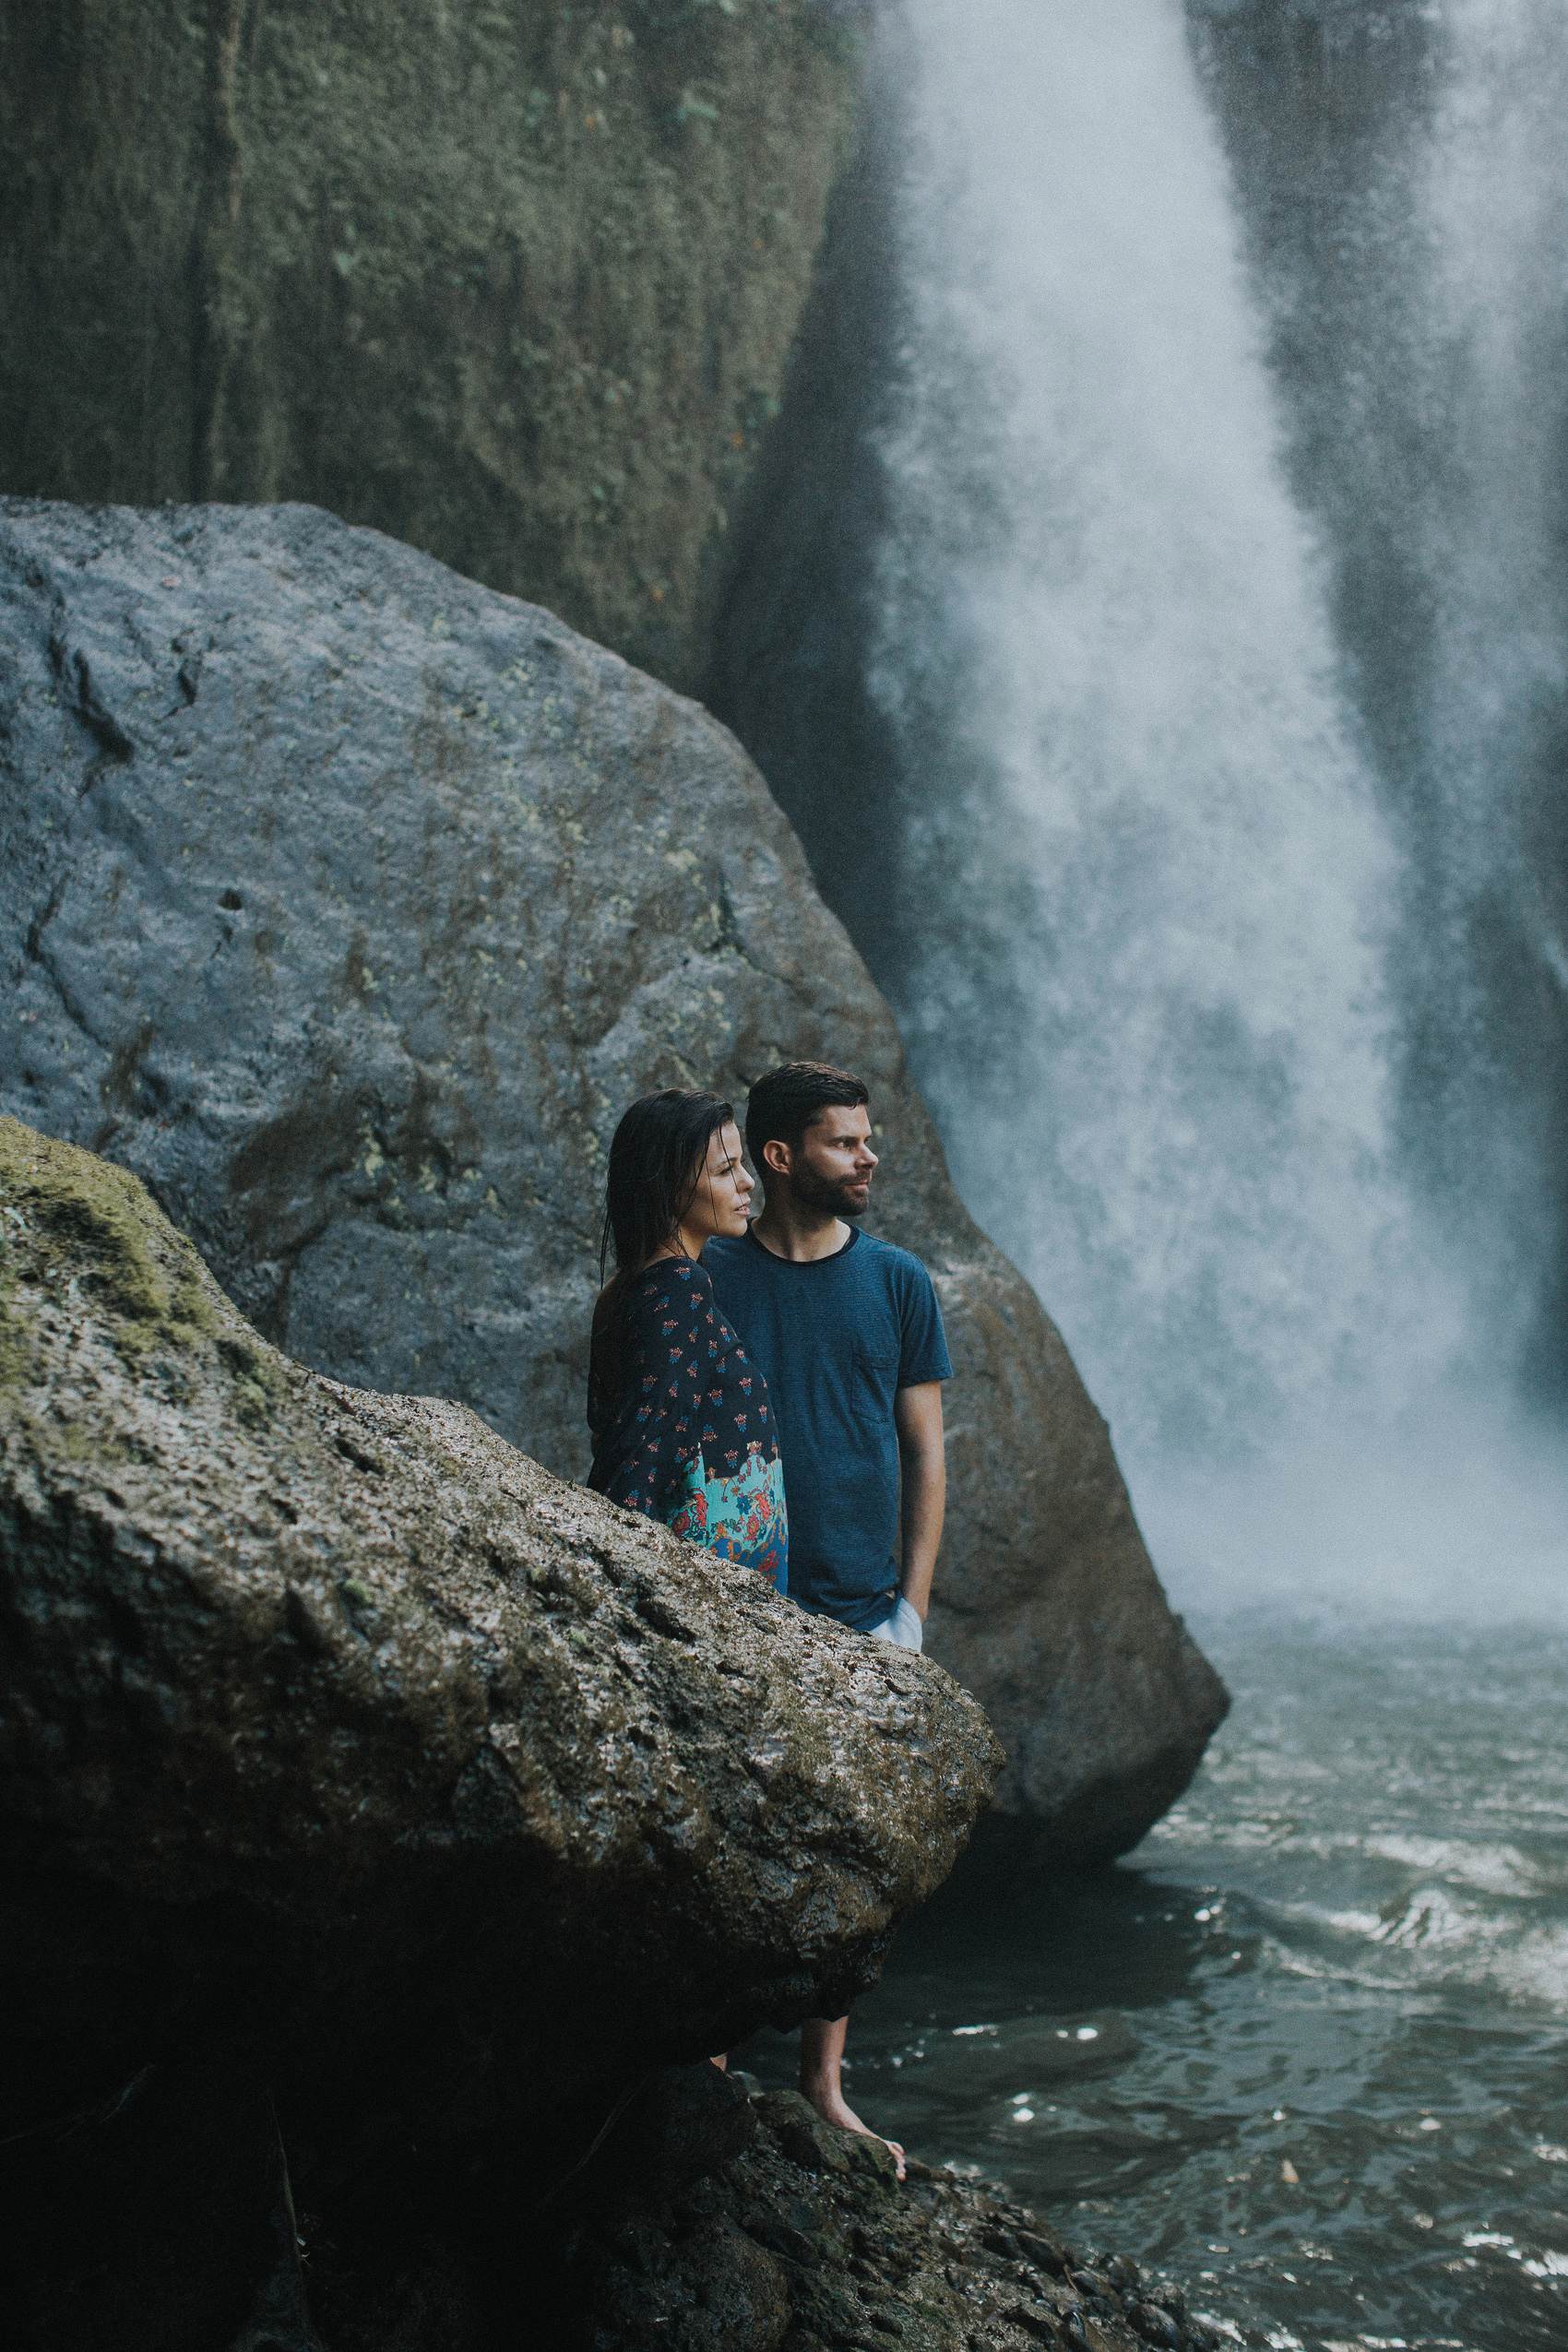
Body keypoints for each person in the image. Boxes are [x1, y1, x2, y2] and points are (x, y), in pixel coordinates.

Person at [706, 1061, 952, 2179]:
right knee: (724, 1829)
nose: (868, 1158)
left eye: (867, 1140)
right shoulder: (709, 1275)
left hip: (863, 1612)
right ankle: (702, 2058)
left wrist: (911, 1608)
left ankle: (822, 2083)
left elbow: (924, 1453)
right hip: (736, 1597)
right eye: (845, 1143)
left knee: (847, 1854)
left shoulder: (898, 1283)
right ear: (778, 1156)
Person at [587, 1088, 787, 1594]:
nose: (747, 1184)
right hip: (708, 1594)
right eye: (725, 1171)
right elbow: (640, 1454)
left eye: (741, 1164)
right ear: (666, 1188)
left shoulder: (632, 1284)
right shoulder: (677, 1288)